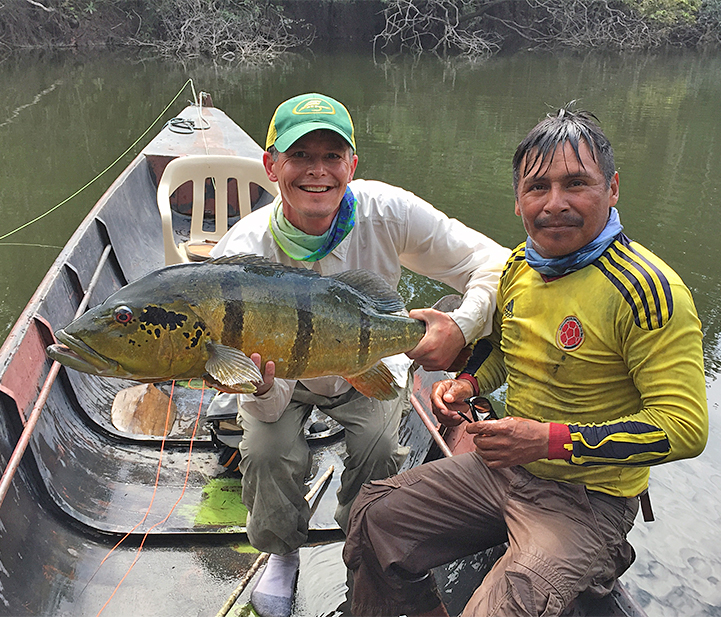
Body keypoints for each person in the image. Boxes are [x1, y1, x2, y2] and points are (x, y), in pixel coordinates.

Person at [342, 106, 709, 616]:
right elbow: (504, 353)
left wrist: (549, 439)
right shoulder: (518, 269)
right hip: (508, 471)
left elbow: (685, 428)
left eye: (575, 183)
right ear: (518, 200)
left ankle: (595, 561)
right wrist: (468, 384)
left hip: (589, 499)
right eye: (537, 187)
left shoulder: (648, 291)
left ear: (613, 188)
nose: (554, 203)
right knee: (374, 516)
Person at [206, 92, 510, 617]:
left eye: (331, 156)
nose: (317, 171)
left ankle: (362, 539)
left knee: (375, 447)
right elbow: (238, 378)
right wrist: (251, 383)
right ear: (271, 164)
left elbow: (496, 264)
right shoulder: (240, 254)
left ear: (352, 163)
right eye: (300, 156)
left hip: (366, 361)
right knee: (266, 452)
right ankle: (281, 554)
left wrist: (460, 327)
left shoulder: (388, 211)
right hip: (280, 378)